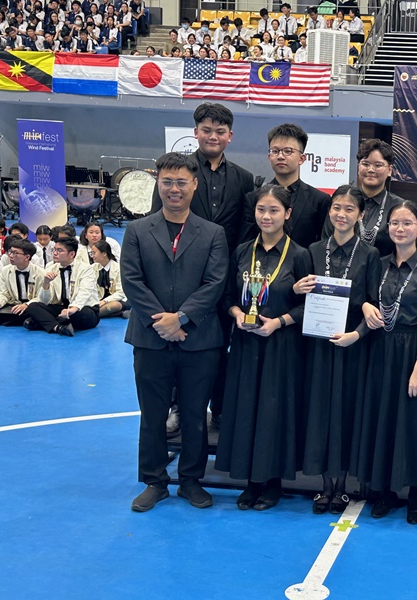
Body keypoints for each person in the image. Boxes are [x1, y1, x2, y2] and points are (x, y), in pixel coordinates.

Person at [121, 152, 229, 512]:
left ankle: (191, 481)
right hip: (149, 338)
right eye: (167, 181)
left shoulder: (213, 233)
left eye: (182, 182)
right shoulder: (137, 231)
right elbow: (132, 281)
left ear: (194, 185)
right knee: (152, 414)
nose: (174, 189)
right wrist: (162, 322)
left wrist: (181, 318)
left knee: (195, 415)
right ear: (158, 184)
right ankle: (154, 481)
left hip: (199, 340)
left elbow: (215, 283)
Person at [151, 103, 254, 427]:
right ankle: (178, 408)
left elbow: (245, 229)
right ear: (195, 132)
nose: (213, 136)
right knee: (179, 345)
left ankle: (220, 408)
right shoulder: (178, 175)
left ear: (230, 136)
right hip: (181, 276)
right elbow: (158, 224)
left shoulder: (244, 178)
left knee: (221, 346)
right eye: (206, 130)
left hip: (224, 280)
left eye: (220, 131)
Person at [215, 184, 311, 511]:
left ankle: (272, 482)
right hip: (245, 344)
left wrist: (279, 322)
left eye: (273, 210)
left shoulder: (300, 255)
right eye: (261, 210)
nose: (266, 216)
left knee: (273, 412)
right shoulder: (243, 252)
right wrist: (237, 314)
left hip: (281, 346)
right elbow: (227, 297)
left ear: (287, 214)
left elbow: (308, 306)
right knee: (246, 409)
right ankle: (250, 481)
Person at [354, 201, 417, 524]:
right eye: (394, 223)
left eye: (407, 223)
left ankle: (416, 493)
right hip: (381, 349)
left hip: (413, 352)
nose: (400, 228)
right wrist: (365, 306)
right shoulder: (378, 264)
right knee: (384, 417)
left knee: (414, 422)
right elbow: (364, 297)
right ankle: (386, 490)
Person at [296, 186, 382, 514]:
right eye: (336, 208)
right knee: (319, 410)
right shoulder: (313, 251)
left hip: (351, 345)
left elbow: (372, 303)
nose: (341, 214)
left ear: (361, 215)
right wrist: (295, 288)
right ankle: (323, 486)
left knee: (346, 411)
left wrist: (356, 334)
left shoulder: (370, 254)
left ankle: (342, 485)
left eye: (349, 209)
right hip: (318, 345)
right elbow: (300, 299)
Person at [243, 123, 330, 249]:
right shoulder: (253, 198)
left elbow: (323, 246)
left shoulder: (319, 200)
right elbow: (245, 244)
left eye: (288, 151)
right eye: (275, 151)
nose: (280, 156)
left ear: (301, 158)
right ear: (269, 157)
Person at [326, 139, 405, 257]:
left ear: (389, 170)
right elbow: (326, 242)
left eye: (378, 165)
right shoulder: (341, 202)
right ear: (358, 167)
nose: (371, 170)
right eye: (365, 164)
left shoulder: (399, 208)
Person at [23, 237, 100, 336]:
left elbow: (85, 292)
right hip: (62, 307)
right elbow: (44, 301)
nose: (55, 253)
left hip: (84, 308)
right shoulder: (51, 268)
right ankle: (58, 327)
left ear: (72, 254)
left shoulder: (86, 269)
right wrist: (46, 283)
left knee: (80, 314)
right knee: (33, 306)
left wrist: (73, 308)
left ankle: (43, 322)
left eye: (59, 250)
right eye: (54, 249)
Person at [0, 239, 44, 326]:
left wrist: (26, 305)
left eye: (15, 253)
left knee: (36, 311)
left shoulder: (41, 273)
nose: (11, 256)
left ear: (27, 257)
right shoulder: (5, 270)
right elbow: (4, 293)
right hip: (13, 305)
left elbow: (41, 297)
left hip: (32, 305)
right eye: (10, 252)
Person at [91, 239, 129, 318]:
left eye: (94, 253)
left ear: (104, 254)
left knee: (114, 305)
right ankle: (119, 314)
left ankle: (92, 315)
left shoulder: (118, 268)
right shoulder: (92, 268)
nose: (92, 256)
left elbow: (121, 293)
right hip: (99, 300)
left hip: (117, 299)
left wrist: (105, 301)